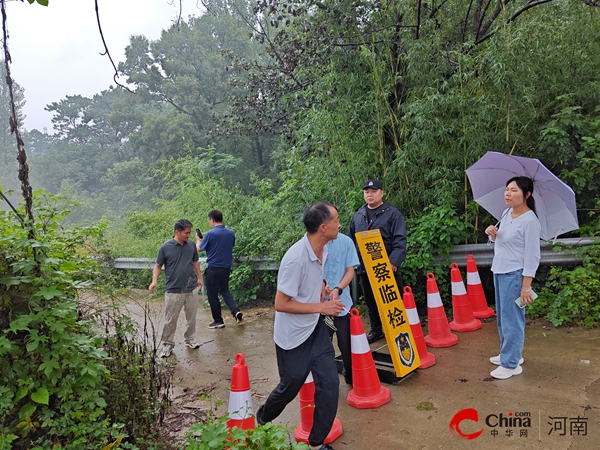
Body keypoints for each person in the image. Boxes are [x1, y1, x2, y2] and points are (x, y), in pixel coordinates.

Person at [256, 202, 345, 450]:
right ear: (324, 226)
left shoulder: (322, 249)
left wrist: (322, 289)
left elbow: (316, 277)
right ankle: (263, 417)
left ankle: (316, 443)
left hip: (314, 330)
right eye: (337, 219)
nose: (340, 223)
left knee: (329, 384)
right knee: (289, 387)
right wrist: (322, 308)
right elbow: (280, 304)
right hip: (292, 337)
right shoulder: (295, 259)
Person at [485, 176, 541, 380]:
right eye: (507, 189)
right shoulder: (507, 213)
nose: (508, 193)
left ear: (527, 195)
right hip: (499, 271)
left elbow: (533, 255)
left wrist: (526, 286)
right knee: (502, 318)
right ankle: (509, 354)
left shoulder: (530, 221)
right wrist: (493, 234)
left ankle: (511, 364)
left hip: (515, 275)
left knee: (512, 320)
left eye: (514, 190)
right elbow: (504, 242)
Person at [348, 179, 407, 343]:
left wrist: (393, 262)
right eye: (367, 191)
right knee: (370, 300)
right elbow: (350, 240)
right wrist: (353, 262)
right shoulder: (358, 215)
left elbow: (400, 240)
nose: (370, 194)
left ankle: (399, 329)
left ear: (381, 193)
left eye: (373, 191)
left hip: (386, 267)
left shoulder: (392, 213)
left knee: (393, 299)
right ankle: (376, 330)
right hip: (365, 267)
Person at [149, 219, 203, 358]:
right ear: (177, 232)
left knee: (191, 318)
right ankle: (167, 345)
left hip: (191, 288)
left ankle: (190, 340)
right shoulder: (165, 247)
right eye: (186, 233)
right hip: (173, 290)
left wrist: (199, 278)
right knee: (170, 319)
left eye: (190, 233)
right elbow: (157, 266)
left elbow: (195, 261)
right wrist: (154, 281)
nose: (189, 236)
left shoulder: (191, 245)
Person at [196, 210, 242, 329]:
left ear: (211, 219)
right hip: (226, 268)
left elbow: (199, 249)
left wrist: (198, 240)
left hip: (213, 268)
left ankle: (218, 320)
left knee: (212, 294)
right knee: (225, 290)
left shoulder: (210, 234)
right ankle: (235, 311)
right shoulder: (230, 233)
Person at [323, 233, 359, 385]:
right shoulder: (315, 243)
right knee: (323, 346)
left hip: (343, 305)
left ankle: (350, 377)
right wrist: (321, 286)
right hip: (322, 307)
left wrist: (338, 289)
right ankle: (327, 382)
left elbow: (350, 270)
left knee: (346, 345)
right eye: (334, 220)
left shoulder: (346, 242)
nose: (338, 224)